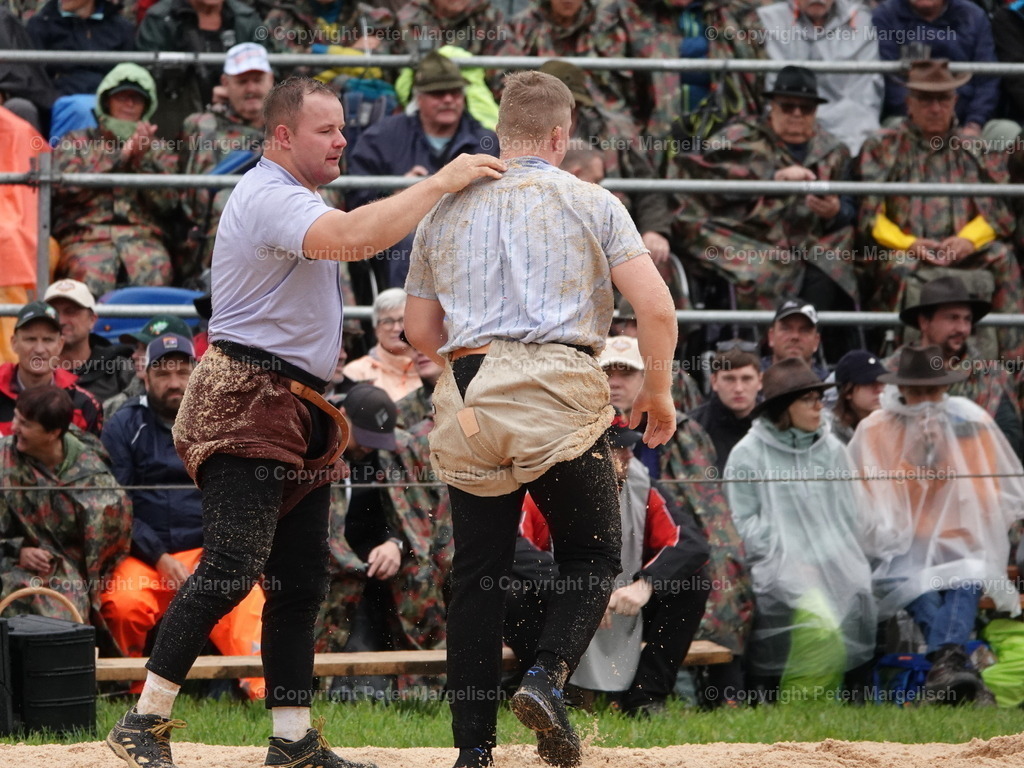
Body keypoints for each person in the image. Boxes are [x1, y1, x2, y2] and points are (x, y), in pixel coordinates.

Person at [105, 75, 503, 768]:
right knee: (231, 567)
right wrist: (439, 183)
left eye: (345, 127)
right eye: (328, 130)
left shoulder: (296, 197)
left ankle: (290, 736)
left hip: (296, 405)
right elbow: (351, 238)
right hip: (246, 398)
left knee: (300, 580)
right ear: (283, 135)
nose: (344, 139)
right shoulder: (270, 196)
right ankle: (143, 721)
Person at [404, 70, 677, 768]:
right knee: (589, 552)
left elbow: (417, 329)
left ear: (502, 132)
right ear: (560, 136)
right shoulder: (593, 200)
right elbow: (656, 308)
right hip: (554, 380)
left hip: (467, 390)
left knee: (477, 573)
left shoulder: (444, 207)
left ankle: (473, 752)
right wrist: (662, 393)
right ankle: (546, 679)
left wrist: (477, 360)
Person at [848, 345, 1024, 704]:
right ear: (904, 390)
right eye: (919, 392)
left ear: (945, 389)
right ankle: (954, 667)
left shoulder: (969, 422)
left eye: (934, 391)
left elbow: (988, 490)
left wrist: (943, 456)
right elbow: (871, 502)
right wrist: (915, 460)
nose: (927, 400)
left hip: (959, 542)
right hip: (901, 549)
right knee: (919, 588)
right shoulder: (876, 429)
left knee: (968, 577)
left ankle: (943, 668)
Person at [505, 411, 710, 717]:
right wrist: (576, 594)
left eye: (628, 447)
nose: (626, 455)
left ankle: (646, 697)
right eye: (615, 448)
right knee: (513, 590)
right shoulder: (545, 485)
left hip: (622, 601)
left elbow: (691, 543)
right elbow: (513, 546)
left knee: (694, 583)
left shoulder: (641, 484)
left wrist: (647, 583)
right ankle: (551, 686)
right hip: (560, 596)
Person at [99, 334, 265, 700]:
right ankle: (132, 693)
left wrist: (220, 553)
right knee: (123, 605)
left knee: (248, 604)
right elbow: (116, 506)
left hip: (208, 550)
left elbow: (236, 494)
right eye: (163, 373)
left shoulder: (220, 420)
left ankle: (261, 695)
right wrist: (157, 556)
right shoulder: (124, 425)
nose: (174, 382)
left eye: (182, 370)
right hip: (144, 554)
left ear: (196, 371)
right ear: (145, 375)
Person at [725, 357, 876, 700]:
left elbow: (849, 514)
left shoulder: (833, 450)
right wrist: (790, 556)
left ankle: (830, 701)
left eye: (820, 398)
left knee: (859, 594)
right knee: (820, 626)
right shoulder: (747, 453)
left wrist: (823, 557)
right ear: (783, 408)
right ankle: (803, 707)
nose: (819, 407)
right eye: (808, 399)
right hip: (775, 566)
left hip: (834, 561)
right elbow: (742, 522)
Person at [857, 60, 1024, 360]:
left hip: (965, 253)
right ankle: (896, 367)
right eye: (925, 99)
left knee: (1003, 257)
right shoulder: (882, 147)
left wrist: (968, 240)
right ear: (909, 102)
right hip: (907, 252)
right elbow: (871, 216)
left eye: (942, 99)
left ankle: (1014, 370)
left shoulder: (976, 149)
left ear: (955, 101)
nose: (935, 108)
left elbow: (999, 211)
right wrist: (911, 244)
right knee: (897, 268)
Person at [672, 66, 858, 318]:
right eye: (787, 106)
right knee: (766, 270)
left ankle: (808, 346)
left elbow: (851, 208)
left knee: (830, 268)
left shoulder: (835, 151)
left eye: (806, 108)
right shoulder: (739, 138)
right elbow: (703, 183)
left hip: (807, 242)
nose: (796, 114)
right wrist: (771, 180)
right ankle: (760, 346)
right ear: (772, 105)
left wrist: (834, 211)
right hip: (743, 234)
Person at [318, 384, 450, 700]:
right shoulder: (316, 447)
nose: (366, 448)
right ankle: (312, 686)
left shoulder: (398, 450)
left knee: (421, 580)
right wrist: (351, 562)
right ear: (343, 416)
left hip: (388, 554)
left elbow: (420, 518)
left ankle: (423, 691)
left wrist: (396, 544)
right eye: (363, 438)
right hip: (331, 560)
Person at [345, 52, 498, 288]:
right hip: (399, 241)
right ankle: (402, 320)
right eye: (437, 93)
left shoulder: (486, 142)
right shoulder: (380, 138)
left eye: (455, 92)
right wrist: (398, 195)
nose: (448, 99)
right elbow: (356, 205)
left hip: (469, 235)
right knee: (410, 238)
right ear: (418, 97)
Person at [0, 385, 131, 655]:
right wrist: (18, 550)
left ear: (53, 433)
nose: (13, 427)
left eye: (24, 424)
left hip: (67, 572)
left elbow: (111, 536)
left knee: (61, 619)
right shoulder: (4, 460)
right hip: (8, 561)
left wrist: (68, 567)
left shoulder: (92, 474)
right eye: (15, 417)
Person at [52, 63, 178, 298]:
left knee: (156, 271)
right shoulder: (76, 142)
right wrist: (122, 157)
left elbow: (168, 204)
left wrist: (141, 161)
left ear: (146, 107)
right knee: (87, 277)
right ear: (106, 101)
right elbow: (65, 191)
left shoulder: (160, 149)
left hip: (143, 239)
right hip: (85, 237)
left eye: (137, 99)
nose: (129, 104)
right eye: (122, 96)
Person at [883, 275, 1023, 455]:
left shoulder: (991, 375)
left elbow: (1009, 439)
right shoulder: (890, 372)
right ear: (924, 322)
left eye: (967, 319)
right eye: (953, 318)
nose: (963, 329)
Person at [179, 42, 275, 277]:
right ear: (224, 84)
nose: (251, 89)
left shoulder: (290, 125)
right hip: (225, 226)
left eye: (258, 80)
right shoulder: (202, 125)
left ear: (271, 80)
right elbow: (189, 197)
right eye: (242, 82)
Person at [757, 0, 882, 155]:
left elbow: (865, 101)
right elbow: (774, 95)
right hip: (788, 128)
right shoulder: (769, 19)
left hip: (847, 132)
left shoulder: (861, 20)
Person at [136, 0, 266, 140]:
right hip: (176, 125)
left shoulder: (247, 18)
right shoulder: (159, 19)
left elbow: (271, 72)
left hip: (241, 132)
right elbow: (147, 80)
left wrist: (234, 93)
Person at [872, 0, 998, 133]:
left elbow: (988, 80)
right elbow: (889, 80)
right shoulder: (885, 15)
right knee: (887, 133)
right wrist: (919, 118)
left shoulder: (975, 16)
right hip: (907, 119)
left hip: (968, 121)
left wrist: (974, 123)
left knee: (1006, 131)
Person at [0, 301, 103, 439]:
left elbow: (93, 458)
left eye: (48, 340)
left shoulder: (83, 404)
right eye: (30, 339)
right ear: (14, 343)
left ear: (60, 344)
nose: (39, 350)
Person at [45, 278, 133, 402]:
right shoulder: (32, 369)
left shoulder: (119, 370)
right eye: (53, 312)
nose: (61, 321)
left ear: (92, 320)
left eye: (71, 312)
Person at [27, 0, 135, 99]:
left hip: (110, 104)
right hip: (58, 104)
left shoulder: (122, 28)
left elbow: (130, 76)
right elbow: (34, 79)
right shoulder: (41, 24)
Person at [104, 314, 195, 419]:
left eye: (147, 349)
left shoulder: (210, 409)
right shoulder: (115, 408)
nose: (134, 355)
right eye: (136, 347)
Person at [689, 342, 761, 472]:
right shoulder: (693, 427)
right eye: (729, 379)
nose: (738, 388)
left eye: (746, 379)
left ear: (760, 381)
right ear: (714, 382)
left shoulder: (777, 423)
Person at [343, 288, 422, 402]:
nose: (396, 328)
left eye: (402, 320)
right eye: (388, 321)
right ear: (376, 329)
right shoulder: (355, 373)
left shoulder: (430, 366)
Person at [826, 350, 886, 444]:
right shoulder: (830, 434)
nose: (879, 389)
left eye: (882, 382)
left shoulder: (896, 423)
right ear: (847, 392)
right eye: (869, 383)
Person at [763, 298, 828, 376]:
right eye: (786, 329)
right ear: (771, 336)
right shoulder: (750, 379)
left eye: (804, 330)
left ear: (816, 341)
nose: (795, 336)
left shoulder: (829, 385)